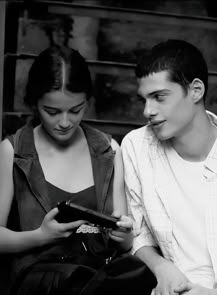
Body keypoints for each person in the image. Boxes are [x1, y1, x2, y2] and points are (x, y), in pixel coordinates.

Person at [0, 45, 156, 295]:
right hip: (37, 288)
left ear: (88, 101)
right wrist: (40, 236)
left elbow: (125, 238)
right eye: (51, 111)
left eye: (76, 110)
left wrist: (124, 237)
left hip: (98, 286)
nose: (64, 122)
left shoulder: (107, 150)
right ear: (34, 103)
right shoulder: (14, 151)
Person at [121, 39, 217, 295]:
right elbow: (137, 233)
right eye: (144, 100)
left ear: (195, 90)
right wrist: (162, 268)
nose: (148, 111)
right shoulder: (137, 147)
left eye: (159, 97)